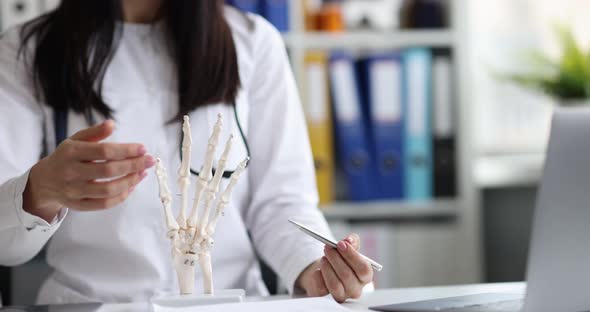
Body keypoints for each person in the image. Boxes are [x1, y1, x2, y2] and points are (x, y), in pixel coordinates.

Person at [0, 0, 374, 304]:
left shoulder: (255, 43)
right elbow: (5, 244)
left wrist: (315, 267)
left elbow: (282, 202)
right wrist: (40, 190)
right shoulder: (24, 51)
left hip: (229, 302)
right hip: (91, 303)